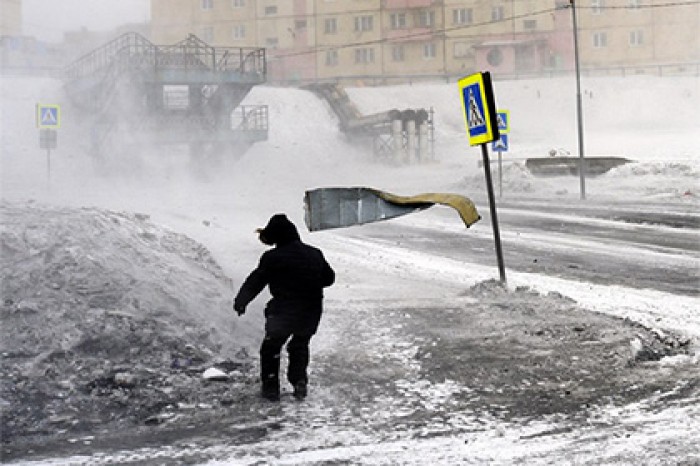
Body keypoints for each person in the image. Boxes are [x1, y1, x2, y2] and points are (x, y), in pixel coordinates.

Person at [233, 214, 335, 401]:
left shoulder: (273, 257)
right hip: (311, 310)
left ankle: (271, 389)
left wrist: (242, 301)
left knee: (271, 347)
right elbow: (329, 279)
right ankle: (299, 382)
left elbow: (256, 281)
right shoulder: (314, 253)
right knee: (299, 345)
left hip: (284, 310)